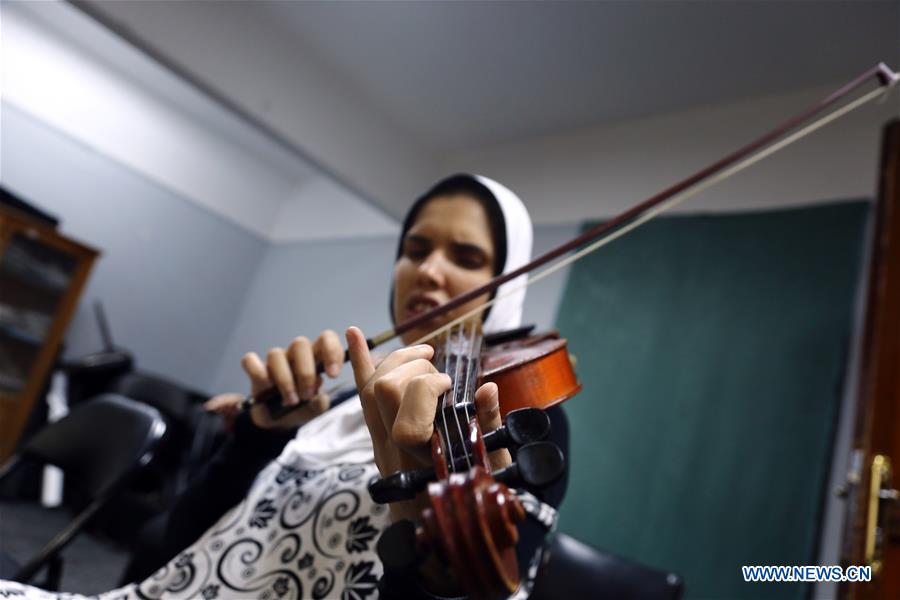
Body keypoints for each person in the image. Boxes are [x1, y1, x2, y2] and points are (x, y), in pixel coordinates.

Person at [0, 174, 568, 599]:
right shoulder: (342, 405)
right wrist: (254, 437)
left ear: (506, 284)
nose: (429, 271)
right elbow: (178, 552)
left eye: (467, 258)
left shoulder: (517, 413)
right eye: (415, 250)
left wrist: (421, 519)